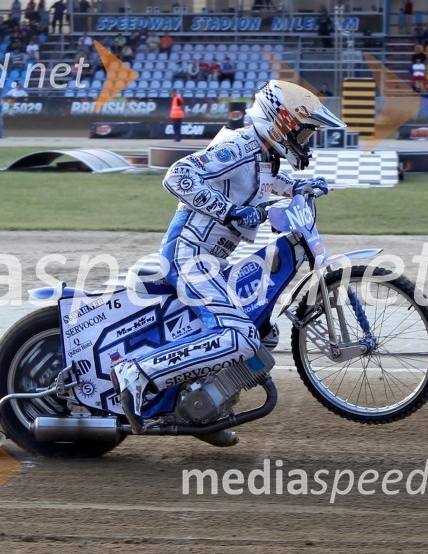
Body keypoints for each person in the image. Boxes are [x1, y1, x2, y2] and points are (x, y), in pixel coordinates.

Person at [110, 80, 343, 444]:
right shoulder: (240, 145)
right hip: (189, 256)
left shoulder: (264, 155)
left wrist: (297, 187)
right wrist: (231, 212)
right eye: (306, 131)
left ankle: (204, 414)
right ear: (283, 122)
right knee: (239, 336)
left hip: (210, 261)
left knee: (263, 332)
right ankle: (137, 371)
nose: (308, 140)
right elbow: (178, 176)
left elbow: (264, 182)